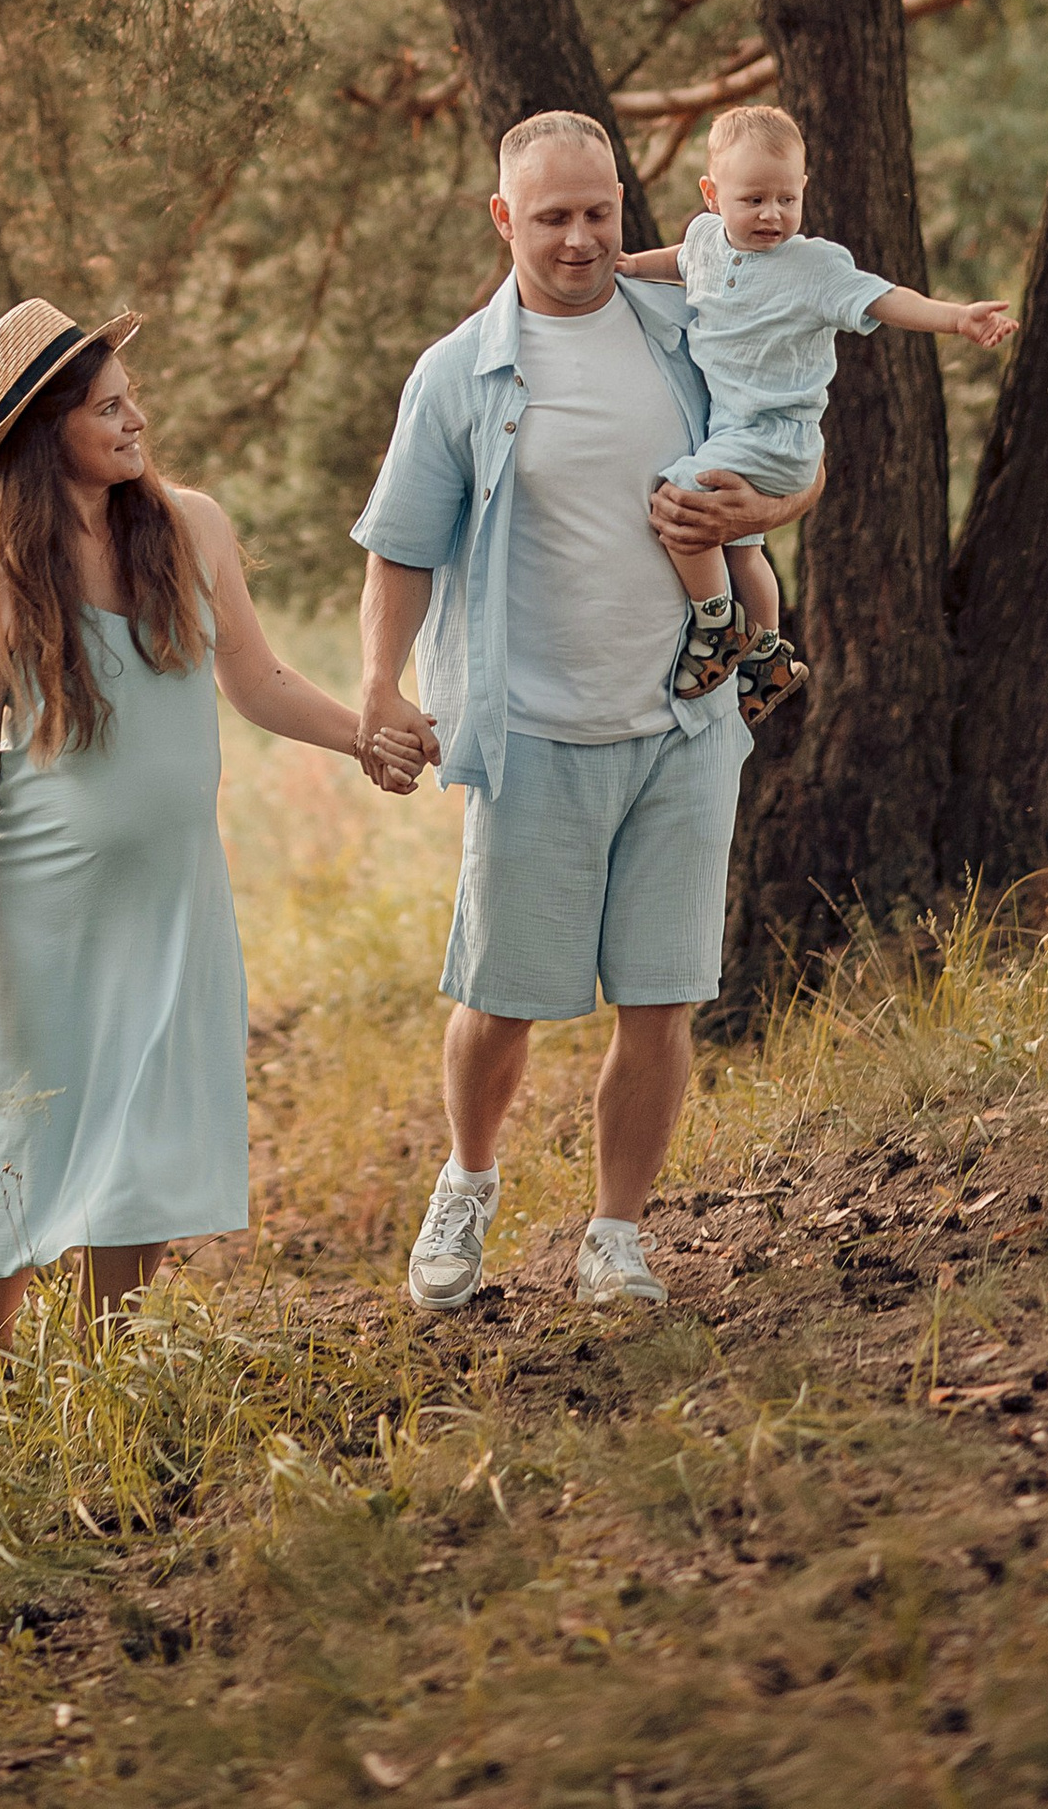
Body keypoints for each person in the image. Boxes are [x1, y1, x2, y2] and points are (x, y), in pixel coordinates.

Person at [351, 111, 819, 1318]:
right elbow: (401, 551)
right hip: (535, 735)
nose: (578, 239)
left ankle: (616, 1234)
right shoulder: (461, 372)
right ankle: (466, 1183)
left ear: (628, 206)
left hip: (685, 723)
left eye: (598, 213)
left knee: (660, 1000)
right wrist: (377, 687)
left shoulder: (688, 328)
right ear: (506, 220)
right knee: (501, 998)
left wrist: (762, 513)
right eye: (551, 217)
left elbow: (795, 449)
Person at [0, 297, 410, 1356]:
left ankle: (105, 1359)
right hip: (37, 905)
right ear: (48, 438)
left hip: (171, 896)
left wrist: (362, 735)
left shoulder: (191, 527)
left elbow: (260, 681)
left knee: (143, 1120)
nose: (135, 423)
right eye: (107, 411)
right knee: (20, 1112)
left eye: (132, 402)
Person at [615, 102, 1019, 722]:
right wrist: (627, 268)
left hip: (779, 435)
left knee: (680, 502)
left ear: (803, 189)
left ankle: (716, 625)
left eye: (786, 198)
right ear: (712, 194)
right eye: (752, 200)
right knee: (743, 550)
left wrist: (955, 318)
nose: (772, 215)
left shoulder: (814, 266)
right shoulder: (703, 241)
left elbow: (883, 299)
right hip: (735, 432)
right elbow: (678, 260)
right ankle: (770, 657)